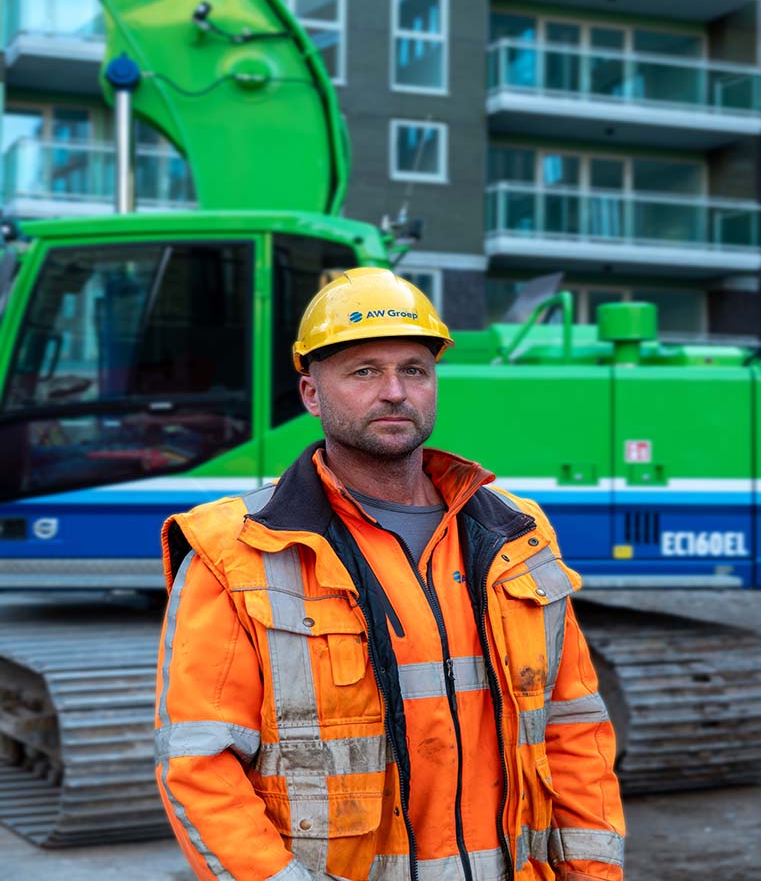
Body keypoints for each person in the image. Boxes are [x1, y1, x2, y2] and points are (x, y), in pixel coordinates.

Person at [155, 267, 625, 881]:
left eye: (414, 369)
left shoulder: (514, 531)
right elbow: (201, 766)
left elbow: (573, 731)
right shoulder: (239, 548)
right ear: (311, 394)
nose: (395, 391)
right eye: (364, 371)